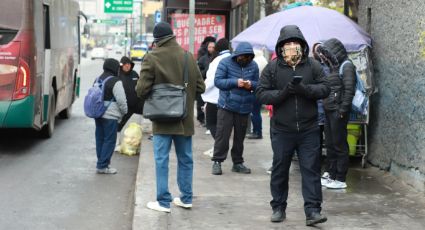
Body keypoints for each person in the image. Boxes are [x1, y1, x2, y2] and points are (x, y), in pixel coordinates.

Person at [255, 25, 330, 225]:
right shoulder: (273, 68)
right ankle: (278, 207)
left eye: (295, 43)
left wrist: (304, 90)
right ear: (280, 47)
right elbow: (261, 93)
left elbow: (325, 88)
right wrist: (284, 93)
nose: (291, 47)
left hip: (309, 129)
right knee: (280, 169)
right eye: (287, 44)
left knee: (311, 169)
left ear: (302, 45)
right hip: (282, 129)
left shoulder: (312, 65)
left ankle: (313, 211)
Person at [135, 22, 205, 213]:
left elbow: (141, 90)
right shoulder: (187, 56)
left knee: (161, 159)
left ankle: (163, 202)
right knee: (186, 159)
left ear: (156, 40)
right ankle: (186, 198)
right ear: (172, 36)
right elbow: (201, 88)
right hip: (184, 119)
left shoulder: (151, 58)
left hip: (162, 118)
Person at [211, 41, 259, 175]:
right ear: (237, 55)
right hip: (226, 105)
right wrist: (235, 82)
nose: (245, 60)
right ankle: (217, 161)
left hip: (244, 107)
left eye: (248, 57)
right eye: (243, 57)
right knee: (222, 136)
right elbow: (218, 81)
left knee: (240, 137)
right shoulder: (225, 63)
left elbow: (258, 84)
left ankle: (237, 163)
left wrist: (251, 85)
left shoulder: (253, 66)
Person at [315, 38, 356, 189]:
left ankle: (340, 178)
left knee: (339, 145)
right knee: (331, 145)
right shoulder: (333, 67)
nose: (324, 57)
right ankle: (331, 174)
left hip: (337, 112)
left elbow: (349, 90)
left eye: (326, 54)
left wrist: (342, 111)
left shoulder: (346, 66)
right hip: (329, 111)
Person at [95, 58, 128, 174]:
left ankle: (101, 163)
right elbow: (121, 100)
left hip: (98, 114)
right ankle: (103, 166)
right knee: (109, 141)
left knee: (100, 139)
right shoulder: (115, 81)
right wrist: (125, 112)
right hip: (111, 116)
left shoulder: (98, 79)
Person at [201, 38, 231, 157]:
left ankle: (219, 147)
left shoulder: (217, 60)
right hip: (229, 97)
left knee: (212, 124)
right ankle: (219, 147)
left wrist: (202, 90)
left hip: (214, 97)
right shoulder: (232, 58)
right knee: (222, 125)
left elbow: (212, 80)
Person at [115, 56, 143, 152]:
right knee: (119, 125)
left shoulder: (134, 74)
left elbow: (141, 86)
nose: (127, 67)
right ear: (121, 65)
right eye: (125, 65)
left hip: (136, 104)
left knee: (150, 113)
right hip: (124, 106)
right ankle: (116, 143)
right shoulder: (117, 75)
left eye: (129, 65)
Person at [246, 49, 269, 140]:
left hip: (256, 89)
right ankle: (257, 131)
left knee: (254, 112)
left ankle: (257, 132)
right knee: (257, 112)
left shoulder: (256, 61)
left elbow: (252, 75)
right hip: (261, 89)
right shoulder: (263, 59)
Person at [196, 39, 216, 126]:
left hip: (214, 85)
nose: (211, 49)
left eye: (213, 47)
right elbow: (198, 72)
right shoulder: (203, 59)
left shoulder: (217, 58)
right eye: (209, 47)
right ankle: (202, 119)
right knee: (201, 103)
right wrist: (206, 71)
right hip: (203, 84)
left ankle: (211, 120)